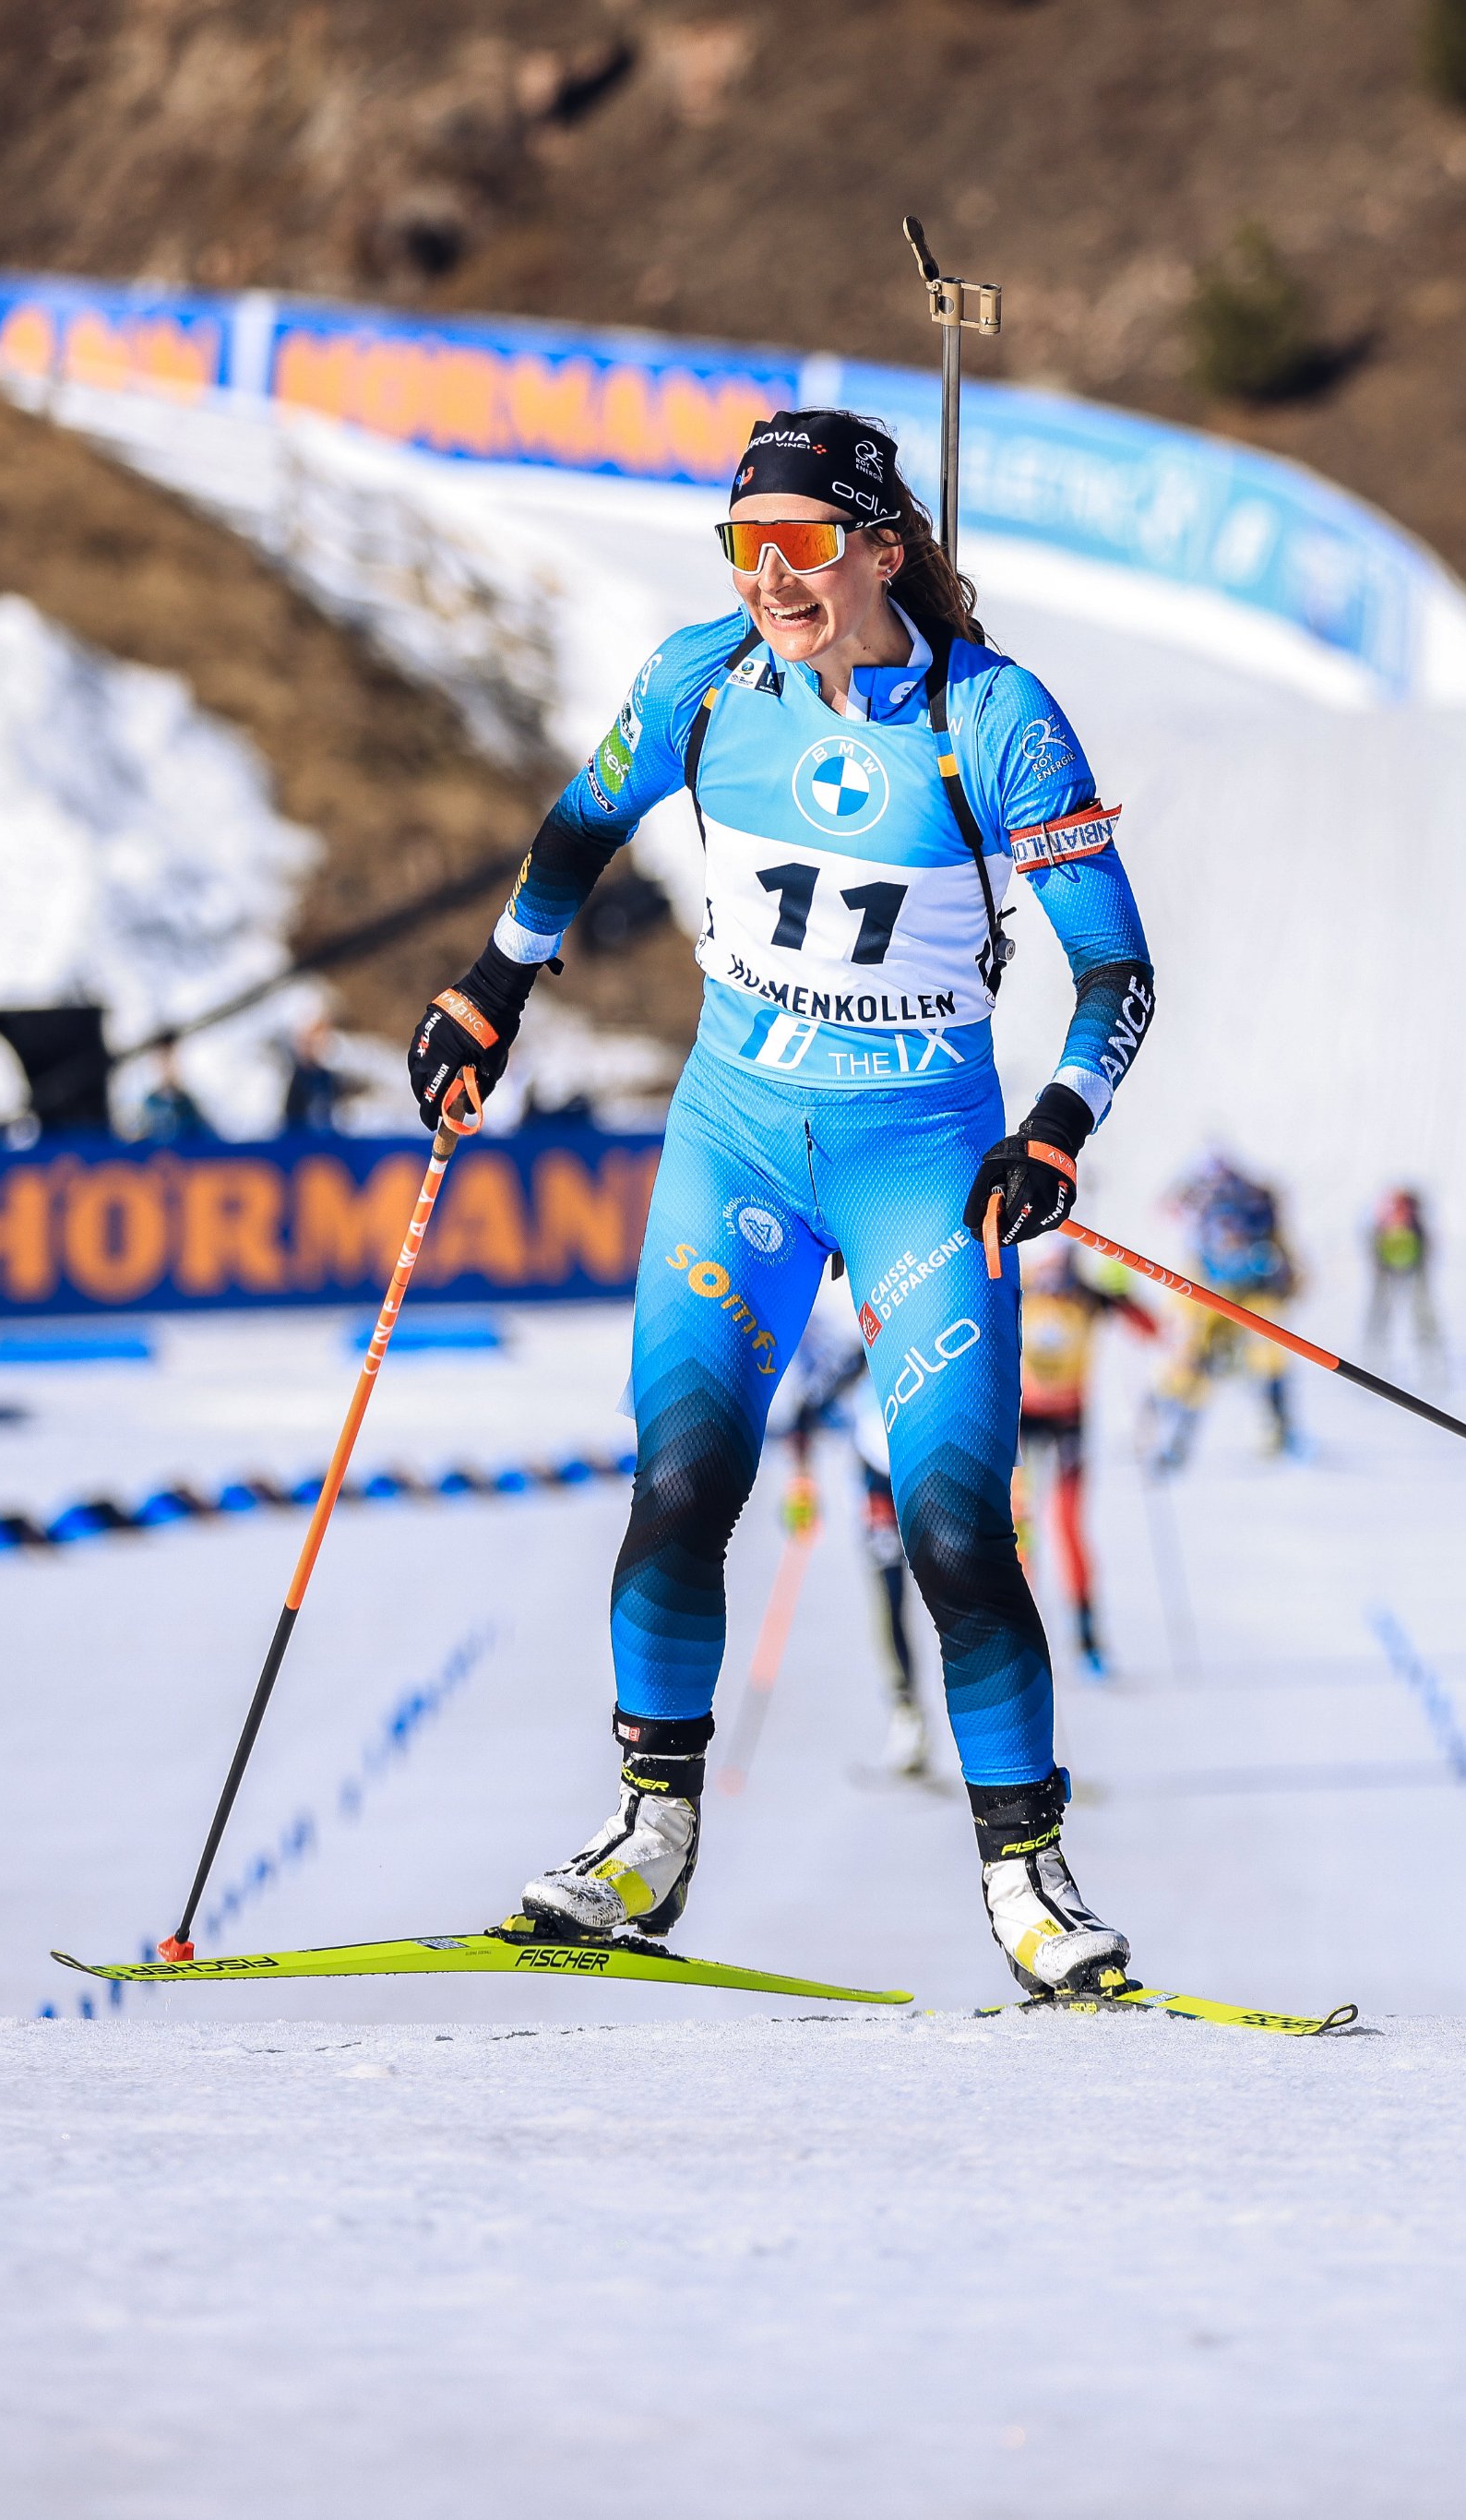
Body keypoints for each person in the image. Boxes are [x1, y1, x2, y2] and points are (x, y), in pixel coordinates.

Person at [403, 407, 1158, 1999]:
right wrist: (492, 989)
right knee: (682, 1485)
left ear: (884, 549)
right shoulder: (699, 682)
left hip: (920, 1171)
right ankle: (646, 1838)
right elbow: (579, 829)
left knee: (956, 1527)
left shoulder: (995, 717)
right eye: (747, 548)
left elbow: (1115, 971)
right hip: (736, 1146)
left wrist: (1059, 1127)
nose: (773, 580)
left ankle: (1029, 1875)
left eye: (808, 546)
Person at [772, 1296, 928, 1776]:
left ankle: (995, 1735)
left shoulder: (940, 1334)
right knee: (889, 1596)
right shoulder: (864, 1347)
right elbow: (804, 1412)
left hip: (932, 1477)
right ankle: (908, 1721)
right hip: (878, 1483)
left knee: (962, 1598)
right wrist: (801, 1482)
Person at [1015, 1239, 1158, 1677]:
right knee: (1020, 1526)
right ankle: (1019, 1636)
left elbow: (1152, 1331)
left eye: (1064, 1276)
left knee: (1067, 1525)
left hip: (1068, 1422)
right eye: (1049, 1274)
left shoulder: (1090, 1296)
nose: (1057, 1286)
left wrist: (1122, 1291)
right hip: (1023, 1419)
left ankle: (1087, 1638)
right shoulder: (1020, 1286)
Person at [1149, 1152, 1299, 1469]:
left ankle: (1280, 1428)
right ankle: (1172, 1431)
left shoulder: (1254, 1211)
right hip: (1213, 1296)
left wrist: (1284, 1282)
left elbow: (1285, 1263)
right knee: (1197, 1365)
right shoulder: (1217, 1210)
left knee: (1267, 1357)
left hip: (1248, 1297)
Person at [1365, 1184, 1442, 1386]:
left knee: (1422, 1316)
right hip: (1388, 1272)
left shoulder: (1414, 1224)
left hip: (1413, 1271)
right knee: (1381, 1316)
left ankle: (1431, 1370)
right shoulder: (1386, 1222)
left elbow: (1426, 1249)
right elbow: (1374, 1245)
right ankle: (1374, 1367)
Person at [280, 1018, 352, 1134]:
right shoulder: (296, 1077)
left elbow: (338, 1106)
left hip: (326, 1136)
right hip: (300, 1137)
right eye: (308, 1045)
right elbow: (290, 1114)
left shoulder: (327, 1076)